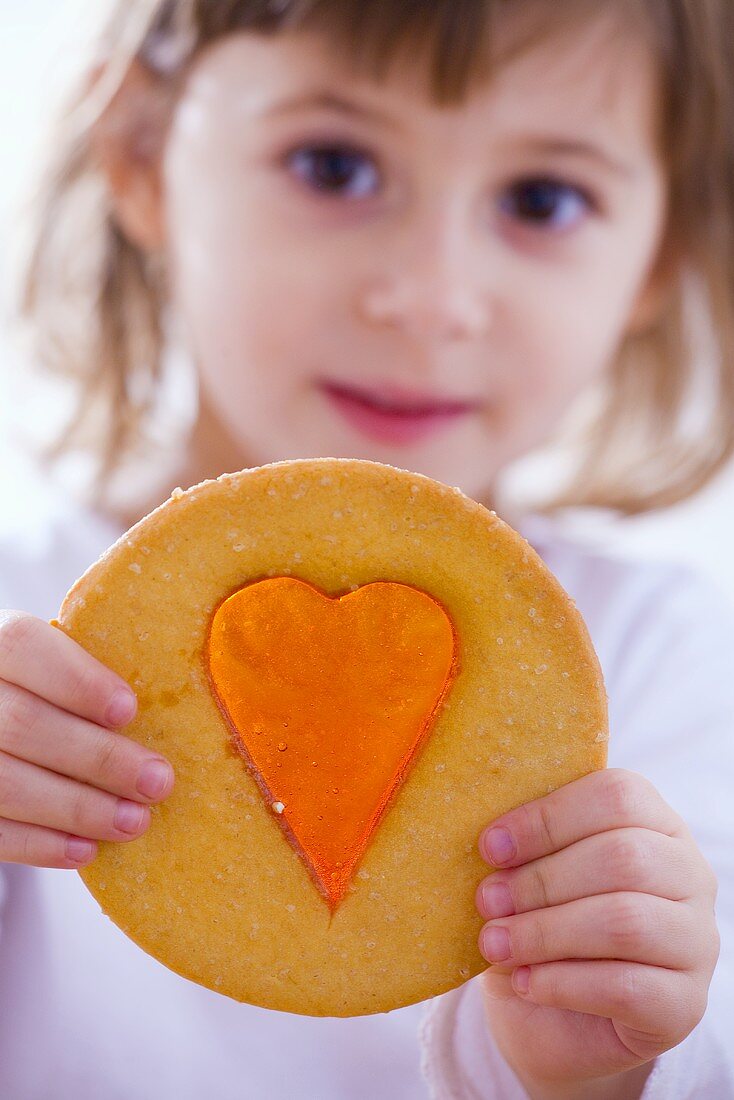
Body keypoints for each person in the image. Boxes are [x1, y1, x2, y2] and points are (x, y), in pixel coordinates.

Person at [1, 1, 733, 1096]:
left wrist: (594, 1060)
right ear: (142, 157)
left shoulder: (667, 659)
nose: (426, 299)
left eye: (542, 198)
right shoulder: (18, 640)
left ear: (655, 254)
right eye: (332, 165)